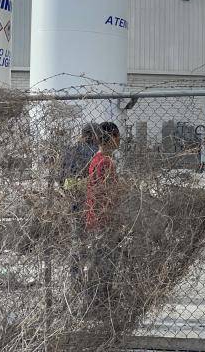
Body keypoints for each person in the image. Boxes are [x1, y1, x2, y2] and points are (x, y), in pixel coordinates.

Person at [84, 121, 123, 310]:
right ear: (112, 138)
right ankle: (100, 303)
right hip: (104, 219)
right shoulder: (106, 162)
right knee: (106, 262)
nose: (120, 141)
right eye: (118, 137)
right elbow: (108, 193)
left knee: (99, 260)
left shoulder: (95, 159)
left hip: (95, 217)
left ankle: (96, 301)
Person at [58, 123, 99, 290]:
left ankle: (76, 279)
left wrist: (68, 190)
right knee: (96, 241)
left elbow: (60, 177)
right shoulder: (96, 151)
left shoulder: (70, 151)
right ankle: (93, 280)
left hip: (74, 200)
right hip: (94, 201)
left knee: (77, 240)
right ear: (95, 135)